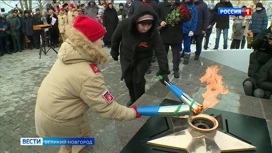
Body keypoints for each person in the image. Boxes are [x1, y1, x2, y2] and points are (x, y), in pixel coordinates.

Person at [35, 16, 141, 153]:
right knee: (82, 145)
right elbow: (109, 109)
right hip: (64, 120)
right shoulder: (88, 74)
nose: (103, 43)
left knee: (67, 144)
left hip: (46, 114)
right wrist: (133, 113)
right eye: (100, 39)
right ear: (88, 42)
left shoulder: (68, 54)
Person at [111, 5, 170, 106]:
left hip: (144, 57)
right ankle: (133, 98)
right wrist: (114, 52)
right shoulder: (125, 24)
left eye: (149, 25)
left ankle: (140, 101)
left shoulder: (153, 32)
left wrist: (164, 71)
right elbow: (115, 38)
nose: (146, 28)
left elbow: (160, 51)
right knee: (128, 79)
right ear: (136, 22)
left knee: (138, 80)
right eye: (142, 25)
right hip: (127, 55)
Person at [157, 0, 188, 78]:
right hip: (164, 34)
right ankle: (163, 70)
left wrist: (180, 19)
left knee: (176, 55)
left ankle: (176, 70)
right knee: (163, 55)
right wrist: (160, 22)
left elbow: (188, 17)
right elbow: (155, 16)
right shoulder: (161, 5)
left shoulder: (181, 5)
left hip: (176, 34)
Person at [243, 29, 272, 99]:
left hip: (269, 77)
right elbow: (254, 44)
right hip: (258, 74)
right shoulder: (265, 32)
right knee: (248, 85)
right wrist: (263, 40)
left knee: (258, 93)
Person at [181, 0, 198, 65]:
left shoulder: (193, 8)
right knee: (178, 44)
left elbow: (195, 20)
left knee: (187, 44)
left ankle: (186, 57)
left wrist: (192, 30)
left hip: (188, 29)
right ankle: (178, 56)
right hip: (180, 28)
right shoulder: (180, 5)